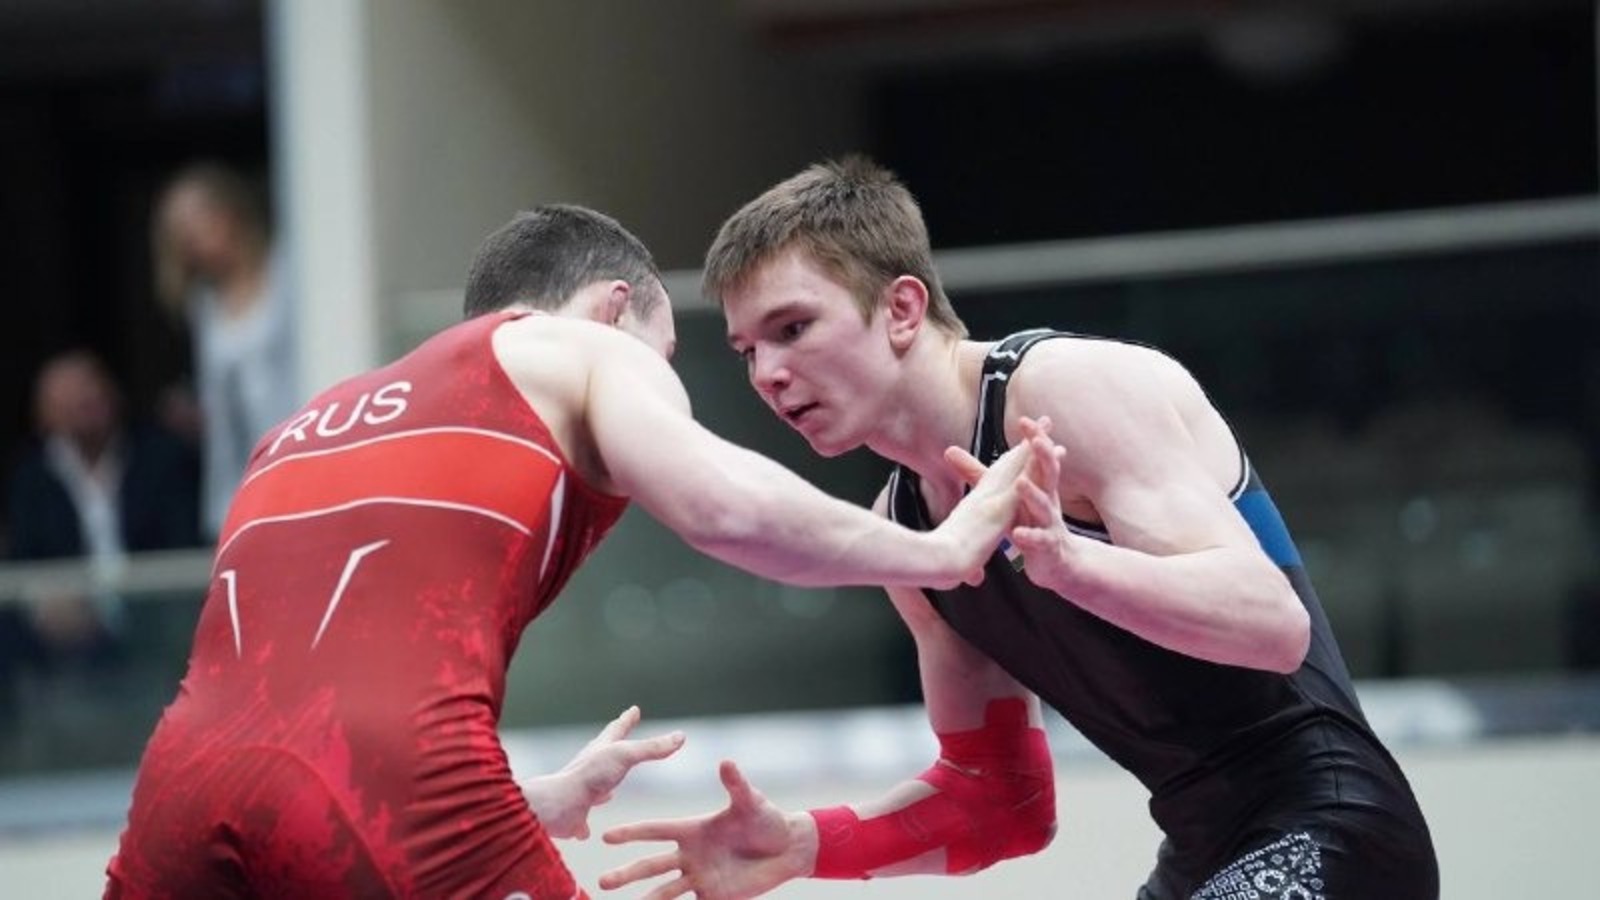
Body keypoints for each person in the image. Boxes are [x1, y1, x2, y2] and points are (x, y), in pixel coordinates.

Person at [104, 203, 1047, 899]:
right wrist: (937, 549)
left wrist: (528, 802)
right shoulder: (580, 349)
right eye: (664, 357)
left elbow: (301, 705)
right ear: (612, 308)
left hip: (180, 786)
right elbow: (723, 506)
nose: (658, 383)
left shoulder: (305, 424)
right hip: (399, 777)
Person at [600, 157, 1439, 899]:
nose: (770, 374)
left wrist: (1075, 566)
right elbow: (1003, 801)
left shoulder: (1066, 391)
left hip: (1336, 826)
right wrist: (805, 843)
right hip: (1202, 854)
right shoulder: (908, 535)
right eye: (748, 351)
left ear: (902, 309)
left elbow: (1273, 627)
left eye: (793, 328)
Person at [2, 350, 201, 671]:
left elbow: (184, 548)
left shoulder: (161, 458)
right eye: (70, 396)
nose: (87, 399)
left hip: (156, 626)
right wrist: (45, 603)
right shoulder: (32, 478)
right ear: (44, 415)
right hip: (70, 643)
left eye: (92, 386)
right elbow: (24, 565)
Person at [152, 160, 301, 540]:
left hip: (305, 448)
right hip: (249, 474)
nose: (192, 241)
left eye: (198, 222)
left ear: (231, 210)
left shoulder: (288, 270)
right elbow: (218, 408)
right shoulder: (203, 305)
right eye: (181, 234)